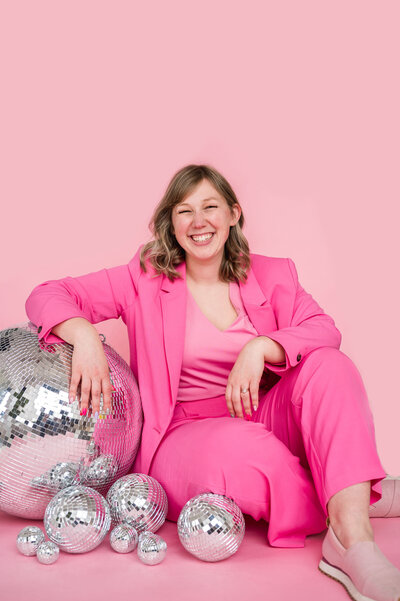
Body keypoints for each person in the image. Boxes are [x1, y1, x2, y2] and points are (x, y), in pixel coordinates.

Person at [25, 164, 400, 601]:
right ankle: (355, 492)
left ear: (234, 214)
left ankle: (354, 542)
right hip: (183, 433)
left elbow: (324, 330)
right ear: (172, 223)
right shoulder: (142, 278)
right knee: (250, 455)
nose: (198, 221)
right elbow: (46, 293)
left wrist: (261, 346)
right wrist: (85, 334)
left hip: (261, 410)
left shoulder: (275, 274)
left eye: (210, 207)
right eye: (185, 211)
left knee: (332, 367)